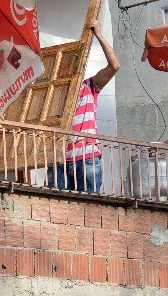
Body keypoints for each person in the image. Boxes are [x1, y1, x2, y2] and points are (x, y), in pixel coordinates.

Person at [47, 18, 120, 193]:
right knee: (57, 210)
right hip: (59, 160)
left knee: (90, 209)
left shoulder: (89, 86)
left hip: (87, 158)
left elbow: (114, 66)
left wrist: (99, 35)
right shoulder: (53, 94)